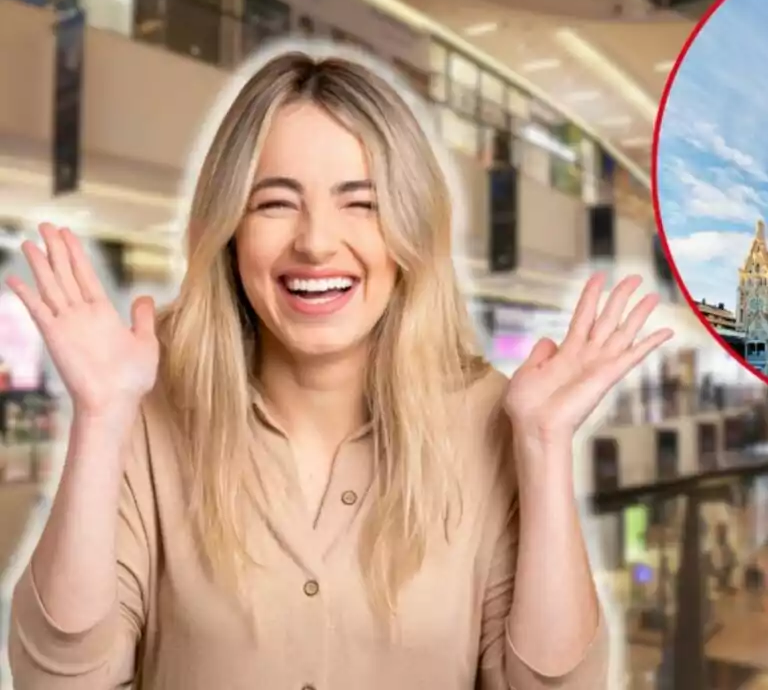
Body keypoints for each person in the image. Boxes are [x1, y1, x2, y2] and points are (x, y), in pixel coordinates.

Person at [3, 51, 674, 688]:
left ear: (408, 230)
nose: (317, 241)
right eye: (274, 202)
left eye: (362, 202)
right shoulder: (151, 411)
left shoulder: (487, 418)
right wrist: (99, 419)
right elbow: (62, 678)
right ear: (230, 229)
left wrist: (543, 445)